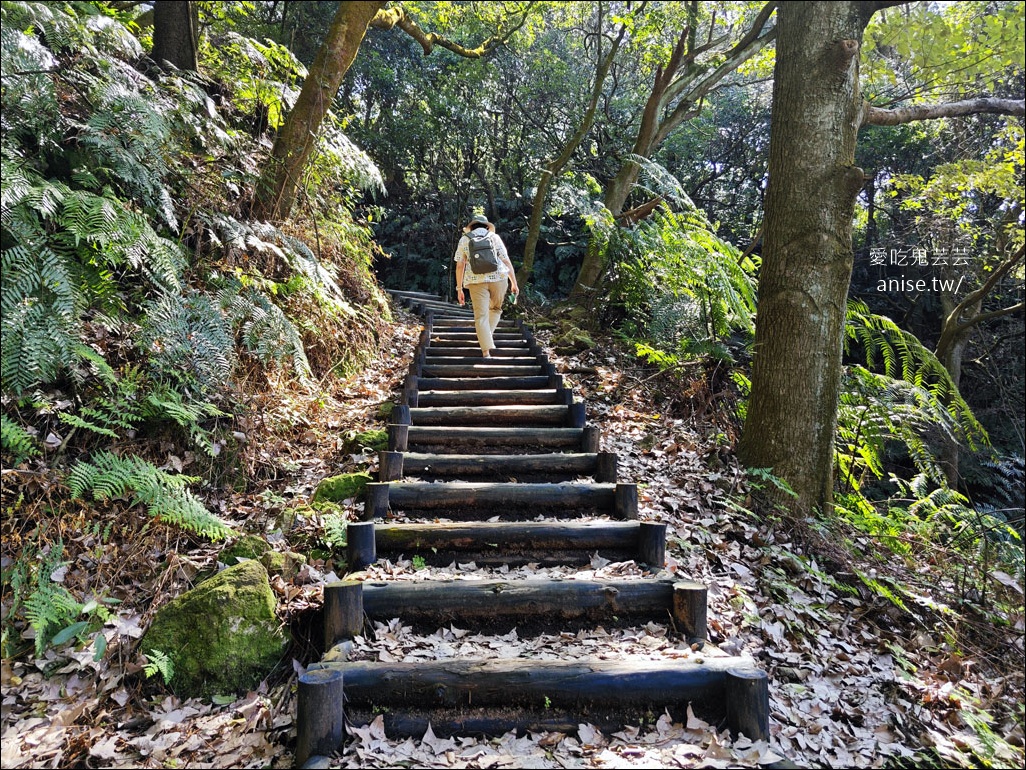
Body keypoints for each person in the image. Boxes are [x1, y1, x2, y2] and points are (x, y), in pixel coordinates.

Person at [454, 214, 520, 357]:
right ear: (486, 226)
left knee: (481, 316)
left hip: (475, 281)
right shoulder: (494, 237)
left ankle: (486, 352)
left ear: (471, 227)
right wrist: (514, 282)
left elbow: (460, 266)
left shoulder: (465, 239)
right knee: (496, 309)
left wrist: (459, 289)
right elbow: (506, 261)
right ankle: (486, 338)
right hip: (499, 278)